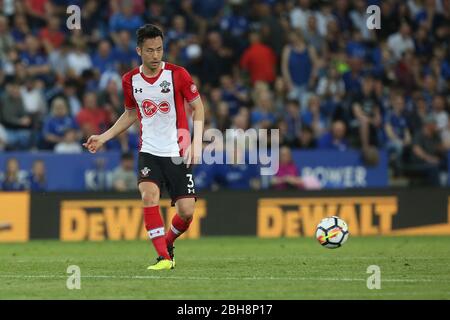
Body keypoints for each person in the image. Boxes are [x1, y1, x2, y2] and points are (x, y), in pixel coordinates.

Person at [83, 24, 205, 271]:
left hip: (177, 152)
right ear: (139, 50)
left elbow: (198, 108)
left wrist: (196, 142)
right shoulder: (130, 80)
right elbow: (130, 114)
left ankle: (168, 242)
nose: (156, 55)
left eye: (159, 49)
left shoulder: (178, 74)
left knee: (186, 212)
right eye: (150, 50)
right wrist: (104, 137)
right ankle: (164, 259)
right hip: (148, 150)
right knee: (149, 196)